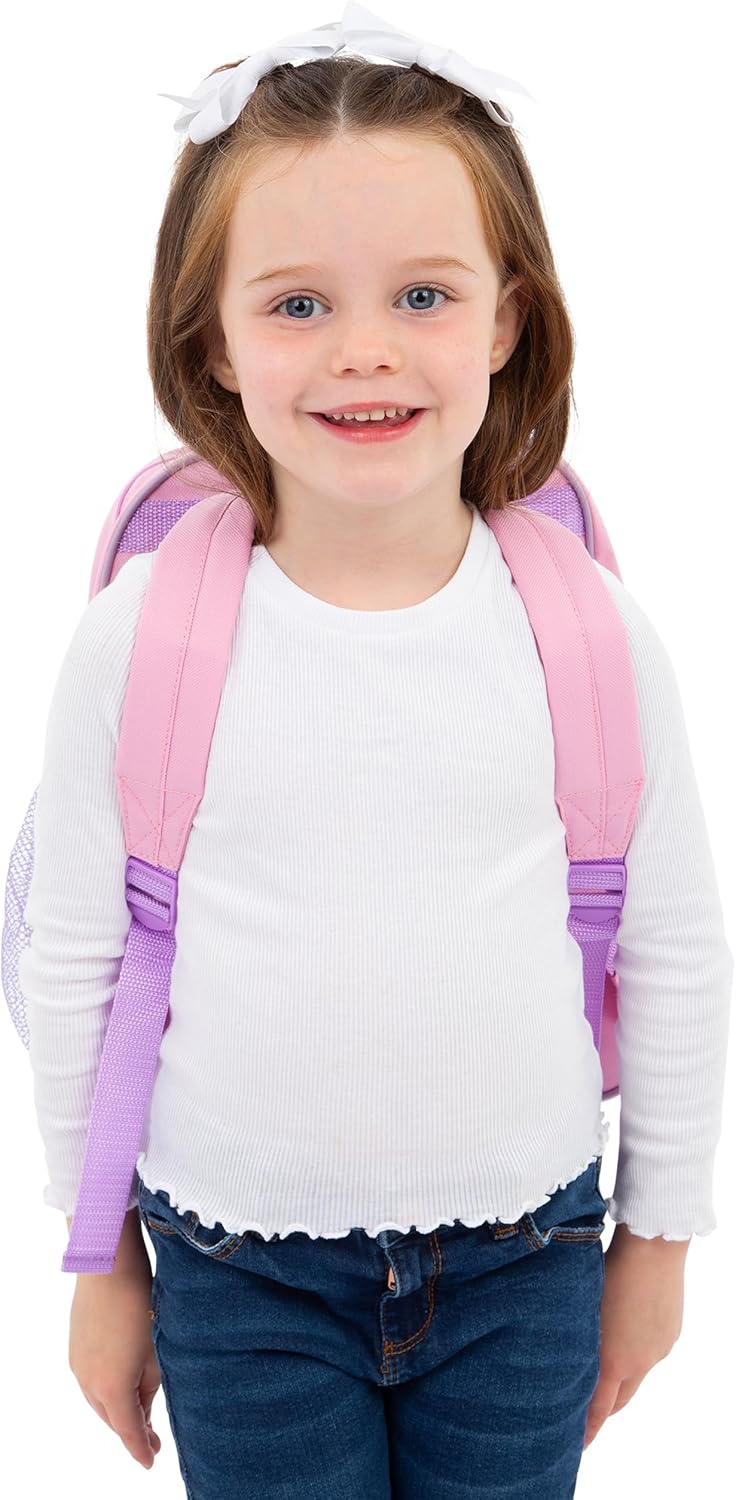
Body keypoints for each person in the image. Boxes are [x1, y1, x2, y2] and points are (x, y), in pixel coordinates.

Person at [19, 4, 733, 1496]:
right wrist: (103, 1263)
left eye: (423, 294)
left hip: (529, 1266)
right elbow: (70, 963)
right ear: (209, 340)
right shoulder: (141, 641)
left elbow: (674, 949)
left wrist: (659, 1244)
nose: (364, 351)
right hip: (236, 1273)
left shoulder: (589, 632)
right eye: (296, 303)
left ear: (506, 320)